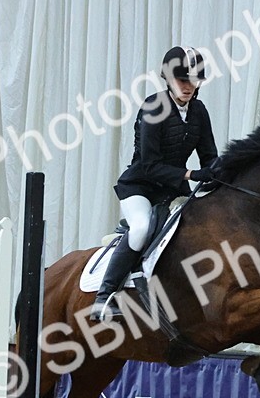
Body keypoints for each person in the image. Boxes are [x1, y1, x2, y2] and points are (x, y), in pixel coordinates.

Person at [94, 45, 220, 320]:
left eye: (194, 80)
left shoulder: (199, 111)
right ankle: (104, 296)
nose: (188, 86)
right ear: (168, 79)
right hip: (140, 186)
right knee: (140, 229)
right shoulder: (153, 107)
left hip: (173, 191)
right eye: (182, 80)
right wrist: (190, 174)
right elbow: (149, 165)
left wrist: (217, 173)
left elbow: (209, 156)